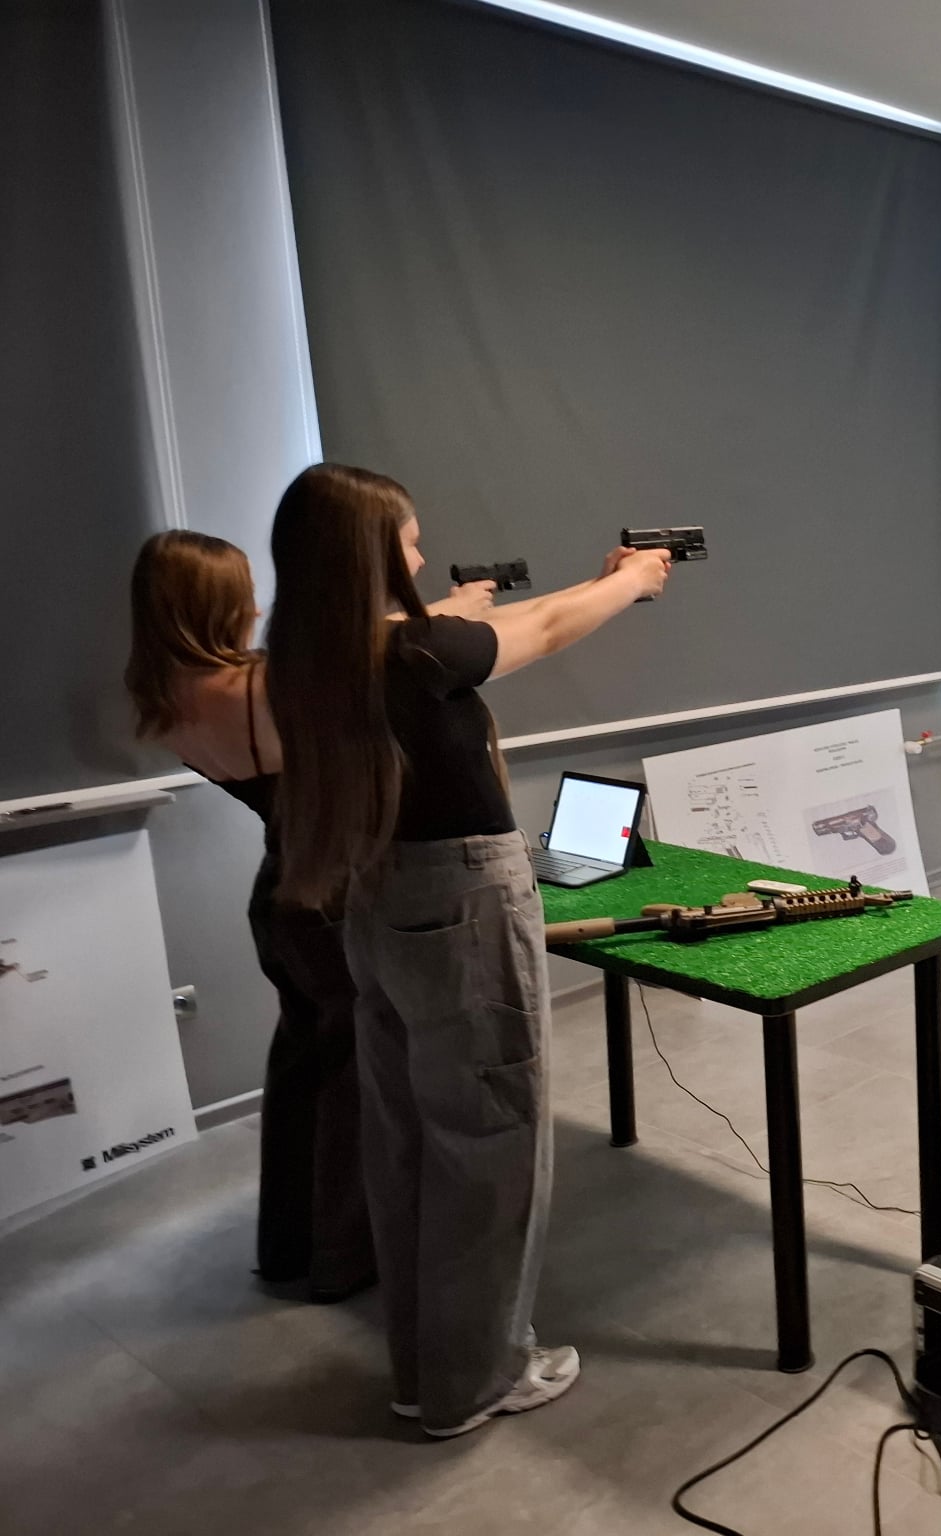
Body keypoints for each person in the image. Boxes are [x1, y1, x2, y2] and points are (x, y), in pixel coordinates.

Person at [264, 463, 672, 1438]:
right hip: (461, 901)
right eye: (406, 543)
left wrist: (577, 583)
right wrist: (630, 582)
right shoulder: (414, 653)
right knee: (489, 1139)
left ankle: (426, 1370)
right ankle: (478, 1378)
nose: (418, 558)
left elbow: (468, 628)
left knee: (410, 1138)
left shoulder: (310, 653)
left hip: (381, 900)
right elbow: (544, 629)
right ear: (368, 555)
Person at [124, 532, 386, 1300]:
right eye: (242, 595)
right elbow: (359, 662)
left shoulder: (169, 699)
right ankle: (344, 1259)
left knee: (303, 1071)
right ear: (213, 606)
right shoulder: (258, 692)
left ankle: (290, 1247)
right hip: (328, 899)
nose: (258, 608)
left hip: (281, 898)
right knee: (353, 1084)